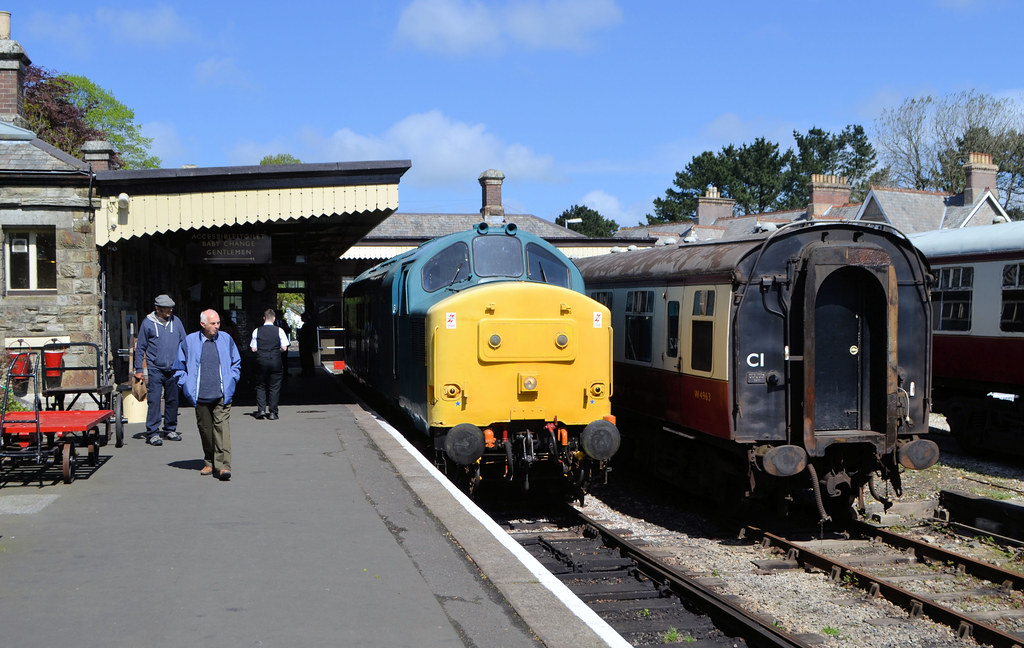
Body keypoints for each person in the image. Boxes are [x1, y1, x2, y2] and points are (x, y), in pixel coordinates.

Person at [177, 309, 241, 481]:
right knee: (206, 430)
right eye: (213, 323)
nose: (217, 326)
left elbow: (236, 362)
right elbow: (179, 365)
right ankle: (209, 461)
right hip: (200, 395)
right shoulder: (190, 341)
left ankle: (223, 466)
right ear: (203, 324)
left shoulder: (226, 339)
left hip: (222, 393)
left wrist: (232, 380)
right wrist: (185, 384)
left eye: (218, 323)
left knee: (222, 429)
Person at [134, 294, 187, 446]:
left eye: (171, 307)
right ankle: (153, 432)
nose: (170, 310)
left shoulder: (176, 322)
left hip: (174, 368)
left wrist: (189, 364)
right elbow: (141, 348)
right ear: (157, 308)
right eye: (166, 307)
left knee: (173, 400)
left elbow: (184, 344)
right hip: (155, 368)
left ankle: (170, 428)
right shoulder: (147, 324)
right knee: (154, 400)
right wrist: (139, 369)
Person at [250, 309, 289, 420]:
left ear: (264, 318)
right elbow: (284, 347)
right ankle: (273, 412)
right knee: (274, 387)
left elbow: (253, 348)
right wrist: (277, 351)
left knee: (260, 385)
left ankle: (261, 410)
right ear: (274, 318)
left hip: (261, 360)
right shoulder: (279, 330)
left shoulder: (257, 331)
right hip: (275, 360)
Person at [297, 311, 318, 377]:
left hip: (305, 344)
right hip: (309, 343)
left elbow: (304, 335)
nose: (301, 319)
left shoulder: (306, 325)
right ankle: (310, 372)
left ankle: (306, 372)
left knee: (305, 358)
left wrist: (299, 333)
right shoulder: (311, 324)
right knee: (309, 358)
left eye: (302, 317)